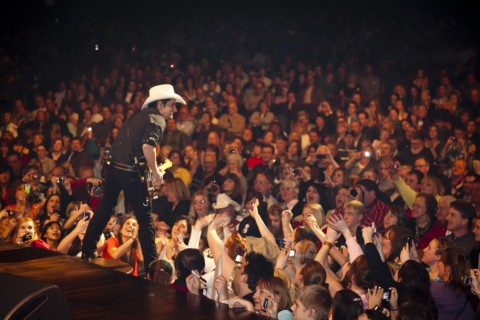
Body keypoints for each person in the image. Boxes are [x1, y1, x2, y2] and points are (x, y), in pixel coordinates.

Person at [82, 84, 186, 274]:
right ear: (161, 104)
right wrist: (155, 172)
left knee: (106, 206)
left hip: (114, 169)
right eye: (172, 105)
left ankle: (87, 251)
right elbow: (148, 146)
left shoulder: (137, 116)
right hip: (131, 173)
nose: (175, 110)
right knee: (145, 221)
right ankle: (152, 268)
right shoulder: (158, 120)